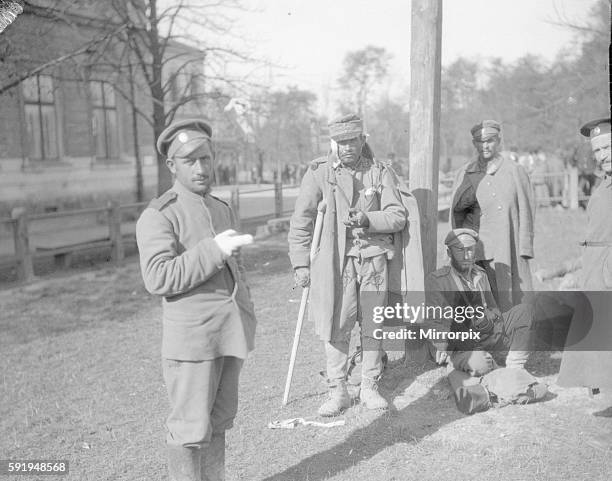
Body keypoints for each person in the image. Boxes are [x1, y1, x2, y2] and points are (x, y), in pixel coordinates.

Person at [136, 118, 256, 481]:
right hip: (192, 344)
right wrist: (213, 249)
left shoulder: (220, 208)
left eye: (206, 158)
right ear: (172, 165)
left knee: (219, 423)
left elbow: (236, 270)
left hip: (227, 335)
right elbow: (158, 277)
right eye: (190, 161)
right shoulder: (159, 215)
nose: (201, 168)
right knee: (190, 431)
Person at [288, 114, 420, 417]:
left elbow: (397, 215)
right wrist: (300, 264)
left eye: (353, 140)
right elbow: (302, 220)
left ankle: (370, 386)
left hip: (373, 261)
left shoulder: (379, 172)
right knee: (336, 323)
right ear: (335, 143)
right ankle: (338, 391)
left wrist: (368, 219)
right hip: (334, 264)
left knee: (373, 324)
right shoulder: (320, 173)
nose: (347, 147)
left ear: (363, 140)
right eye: (341, 141)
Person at [425, 229, 540, 412]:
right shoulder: (437, 281)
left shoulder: (481, 275)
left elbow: (493, 308)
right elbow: (431, 321)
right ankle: (481, 372)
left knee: (524, 312)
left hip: (486, 333)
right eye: (460, 250)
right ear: (449, 253)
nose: (466, 255)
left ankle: (514, 370)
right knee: (481, 363)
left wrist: (489, 320)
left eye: (470, 249)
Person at [450, 120, 535, 311]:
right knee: (481, 299)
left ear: (499, 141)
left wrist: (525, 246)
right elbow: (456, 213)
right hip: (478, 247)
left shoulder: (514, 171)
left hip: (507, 244)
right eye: (480, 142)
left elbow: (527, 210)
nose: (485, 146)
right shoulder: (465, 173)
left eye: (490, 140)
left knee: (513, 297)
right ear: (474, 144)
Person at [557, 117, 612, 396]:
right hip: (595, 267)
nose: (603, 156)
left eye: (607, 147)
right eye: (598, 151)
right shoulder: (603, 184)